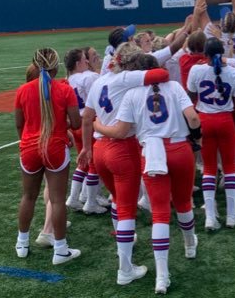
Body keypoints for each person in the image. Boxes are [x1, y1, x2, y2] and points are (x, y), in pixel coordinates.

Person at [94, 53, 201, 295]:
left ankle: (162, 276)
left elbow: (120, 131)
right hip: (179, 148)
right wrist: (196, 136)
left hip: (151, 152)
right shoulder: (173, 86)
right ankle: (190, 245)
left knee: (160, 213)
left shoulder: (132, 94)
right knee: (183, 202)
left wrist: (97, 126)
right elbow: (193, 118)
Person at [77, 43, 169, 286]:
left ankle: (123, 247)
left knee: (117, 200)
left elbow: (86, 117)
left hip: (99, 149)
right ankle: (125, 269)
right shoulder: (126, 77)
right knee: (127, 207)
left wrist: (86, 147)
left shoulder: (99, 81)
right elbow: (162, 74)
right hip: (122, 148)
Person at [14, 48, 81, 264]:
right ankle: (60, 250)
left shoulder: (23, 90)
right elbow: (77, 123)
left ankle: (22, 243)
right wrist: (63, 126)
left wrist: (25, 141)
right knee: (58, 199)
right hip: (55, 147)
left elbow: (19, 124)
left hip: (29, 148)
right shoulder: (63, 90)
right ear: (56, 66)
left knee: (28, 197)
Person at [187, 37, 235, 230]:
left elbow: (192, 99)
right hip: (225, 120)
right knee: (229, 167)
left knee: (209, 168)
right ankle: (230, 214)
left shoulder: (196, 70)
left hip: (205, 120)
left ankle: (210, 217)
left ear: (205, 54)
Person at [64, 48, 106, 214]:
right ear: (77, 63)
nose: (87, 61)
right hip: (89, 123)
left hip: (77, 125)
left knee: (83, 162)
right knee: (93, 163)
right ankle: (90, 202)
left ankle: (74, 197)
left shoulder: (69, 79)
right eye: (84, 59)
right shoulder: (90, 77)